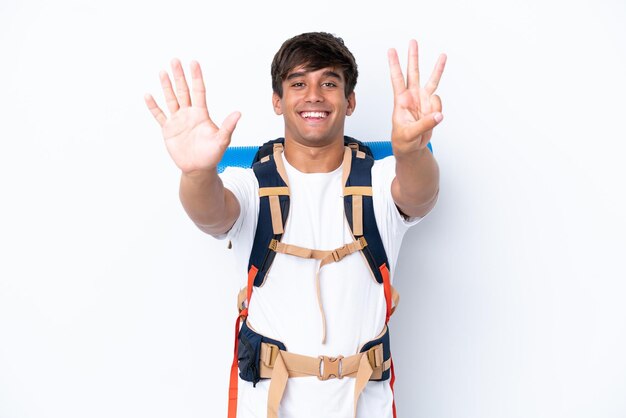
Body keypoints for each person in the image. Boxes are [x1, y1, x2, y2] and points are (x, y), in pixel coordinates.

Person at [144, 32, 446, 418]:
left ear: (350, 101)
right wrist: (198, 172)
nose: (314, 95)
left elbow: (419, 194)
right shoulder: (251, 184)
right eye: (298, 83)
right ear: (278, 100)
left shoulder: (382, 180)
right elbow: (212, 213)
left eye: (329, 83)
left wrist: (411, 150)